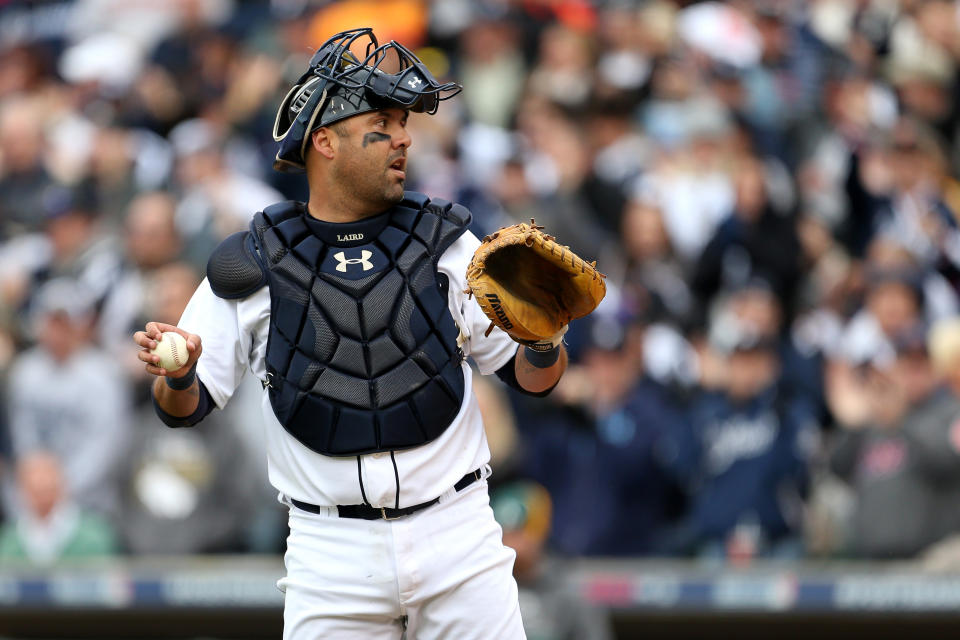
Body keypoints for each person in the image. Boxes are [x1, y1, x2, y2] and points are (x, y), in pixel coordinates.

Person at [133, 28, 568, 639]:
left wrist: (546, 342)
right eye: (383, 125)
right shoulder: (254, 258)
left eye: (403, 125)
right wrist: (176, 375)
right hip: (329, 551)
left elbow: (531, 379)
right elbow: (183, 408)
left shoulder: (447, 242)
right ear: (326, 142)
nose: (403, 138)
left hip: (459, 533)